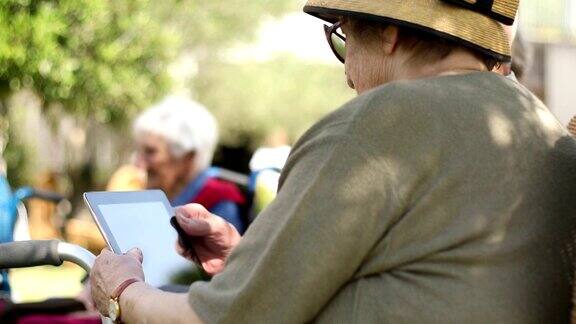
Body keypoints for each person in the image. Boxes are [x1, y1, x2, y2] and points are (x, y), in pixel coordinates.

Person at [90, 0, 576, 322]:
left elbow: (219, 322)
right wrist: (249, 261)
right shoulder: (536, 125)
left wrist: (124, 289)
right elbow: (434, 277)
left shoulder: (379, 124)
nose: (346, 70)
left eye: (342, 34)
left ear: (388, 31)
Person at [133, 96, 245, 233]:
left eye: (150, 152)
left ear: (187, 158)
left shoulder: (219, 204)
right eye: (139, 150)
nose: (138, 162)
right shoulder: (153, 195)